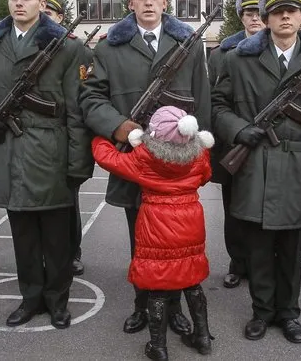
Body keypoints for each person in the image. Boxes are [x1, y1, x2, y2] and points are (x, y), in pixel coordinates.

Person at [0, 0, 94, 329]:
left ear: (41, 2)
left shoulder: (66, 48)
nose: (20, 3)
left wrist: (79, 166)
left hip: (51, 156)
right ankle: (30, 298)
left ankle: (57, 300)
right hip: (7, 155)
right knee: (23, 239)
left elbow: (78, 113)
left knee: (57, 240)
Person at [79, 0, 210, 336]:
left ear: (166, 2)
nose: (149, 2)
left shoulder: (188, 44)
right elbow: (91, 98)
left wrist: (201, 156)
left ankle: (172, 309)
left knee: (180, 244)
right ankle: (143, 304)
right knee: (142, 242)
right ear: (130, 3)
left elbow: (202, 102)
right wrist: (120, 128)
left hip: (177, 165)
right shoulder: (110, 49)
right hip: (136, 161)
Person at [212, 0, 301, 343]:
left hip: (300, 168)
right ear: (265, 18)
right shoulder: (238, 60)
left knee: (292, 248)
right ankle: (262, 311)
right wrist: (239, 129)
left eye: (292, 11)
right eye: (277, 11)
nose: (285, 16)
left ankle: (289, 313)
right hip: (254, 166)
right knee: (259, 246)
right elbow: (217, 106)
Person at [91, 106, 214, 361]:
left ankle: (158, 348)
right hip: (190, 222)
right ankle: (202, 337)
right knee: (191, 278)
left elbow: (109, 159)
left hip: (155, 224)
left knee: (157, 283)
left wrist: (100, 138)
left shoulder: (145, 156)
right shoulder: (199, 154)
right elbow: (205, 176)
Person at [208, 0, 265, 289]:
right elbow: (214, 100)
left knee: (260, 212)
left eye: (258, 12)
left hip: (267, 146)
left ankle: (260, 265)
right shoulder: (222, 54)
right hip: (233, 144)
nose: (254, 18)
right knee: (233, 209)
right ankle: (237, 262)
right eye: (248, 13)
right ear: (241, 17)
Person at [44, 0, 86, 277]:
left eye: (49, 14)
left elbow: (81, 98)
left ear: (60, 16)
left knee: (68, 204)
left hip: (65, 136)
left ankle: (72, 252)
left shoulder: (73, 48)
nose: (44, 19)